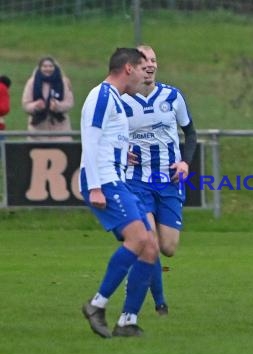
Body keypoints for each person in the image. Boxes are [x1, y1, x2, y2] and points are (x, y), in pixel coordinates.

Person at [80, 47, 159, 338]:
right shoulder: (101, 96)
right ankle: (96, 304)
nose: (145, 73)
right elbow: (90, 139)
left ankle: (127, 321)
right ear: (128, 68)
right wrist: (95, 187)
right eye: (141, 68)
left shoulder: (115, 99)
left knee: (150, 246)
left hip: (117, 178)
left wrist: (122, 154)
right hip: (105, 181)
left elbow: (106, 139)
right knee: (138, 238)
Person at [122, 45, 197, 316]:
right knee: (148, 241)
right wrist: (120, 152)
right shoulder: (120, 99)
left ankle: (141, 276)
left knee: (168, 248)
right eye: (144, 61)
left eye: (154, 60)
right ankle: (160, 303)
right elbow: (102, 137)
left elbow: (190, 133)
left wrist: (185, 161)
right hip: (135, 181)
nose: (150, 65)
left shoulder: (172, 96)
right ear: (132, 67)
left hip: (168, 180)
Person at [22, 57, 74, 141]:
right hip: (38, 131)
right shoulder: (32, 82)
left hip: (60, 130)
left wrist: (57, 106)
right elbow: (26, 104)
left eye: (50, 66)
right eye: (45, 66)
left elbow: (69, 102)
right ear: (40, 67)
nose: (48, 68)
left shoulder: (63, 82)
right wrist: (36, 106)